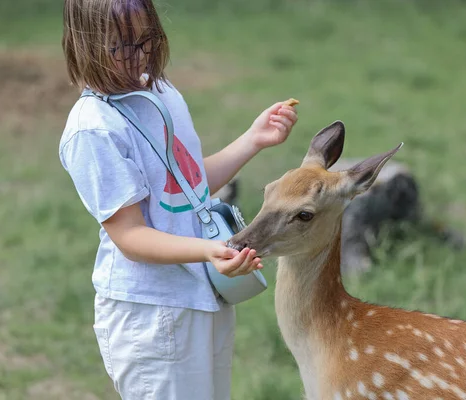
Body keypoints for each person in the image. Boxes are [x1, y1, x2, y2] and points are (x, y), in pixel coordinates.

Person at [59, 0, 298, 398]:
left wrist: (253, 139)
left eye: (147, 38)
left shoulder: (160, 91)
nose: (140, 56)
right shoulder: (93, 130)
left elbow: (188, 185)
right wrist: (208, 250)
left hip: (203, 298)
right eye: (122, 45)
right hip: (154, 315)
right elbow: (130, 236)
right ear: (86, 43)